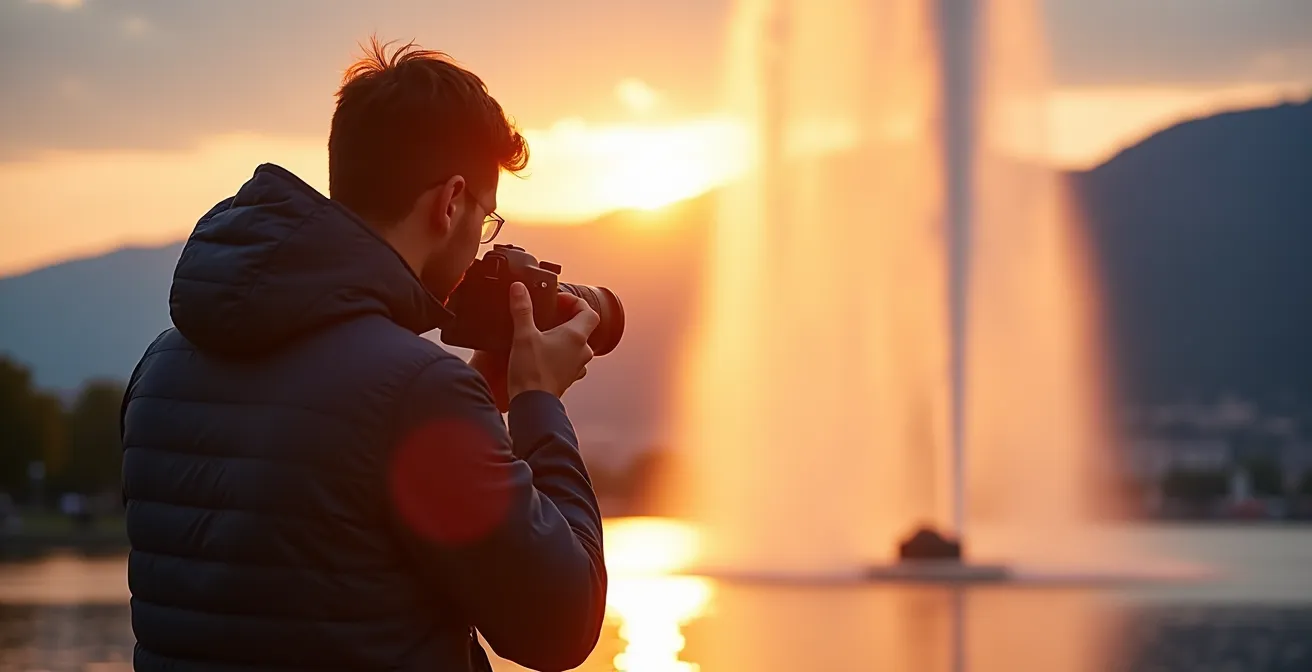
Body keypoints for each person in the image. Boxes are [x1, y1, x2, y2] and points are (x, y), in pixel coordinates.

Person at [120, 38, 606, 672]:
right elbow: (559, 626)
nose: (481, 245)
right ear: (451, 201)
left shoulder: (159, 368)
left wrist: (476, 405)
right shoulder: (415, 394)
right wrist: (539, 403)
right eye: (487, 220)